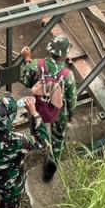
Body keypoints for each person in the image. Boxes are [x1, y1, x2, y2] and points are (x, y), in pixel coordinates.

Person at [19, 37, 77, 182]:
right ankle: (52, 160)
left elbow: (25, 81)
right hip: (58, 112)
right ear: (65, 54)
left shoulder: (35, 65)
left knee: (36, 130)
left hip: (36, 107)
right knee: (58, 138)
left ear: (50, 50)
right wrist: (70, 114)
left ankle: (36, 145)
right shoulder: (67, 75)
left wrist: (27, 60)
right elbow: (71, 100)